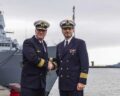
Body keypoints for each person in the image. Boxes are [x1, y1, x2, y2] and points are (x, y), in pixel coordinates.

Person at [55, 19, 89, 96]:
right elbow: (58, 63)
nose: (67, 31)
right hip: (62, 84)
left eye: (69, 28)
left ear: (73, 30)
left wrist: (82, 81)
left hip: (75, 84)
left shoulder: (80, 43)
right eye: (65, 29)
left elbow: (85, 64)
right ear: (62, 30)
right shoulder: (59, 46)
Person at [21, 20, 53, 96]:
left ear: (46, 32)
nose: (41, 32)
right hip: (29, 85)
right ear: (35, 30)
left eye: (43, 30)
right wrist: (47, 64)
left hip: (41, 85)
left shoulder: (44, 44)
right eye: (39, 30)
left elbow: (45, 59)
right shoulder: (28, 42)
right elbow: (33, 58)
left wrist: (53, 64)